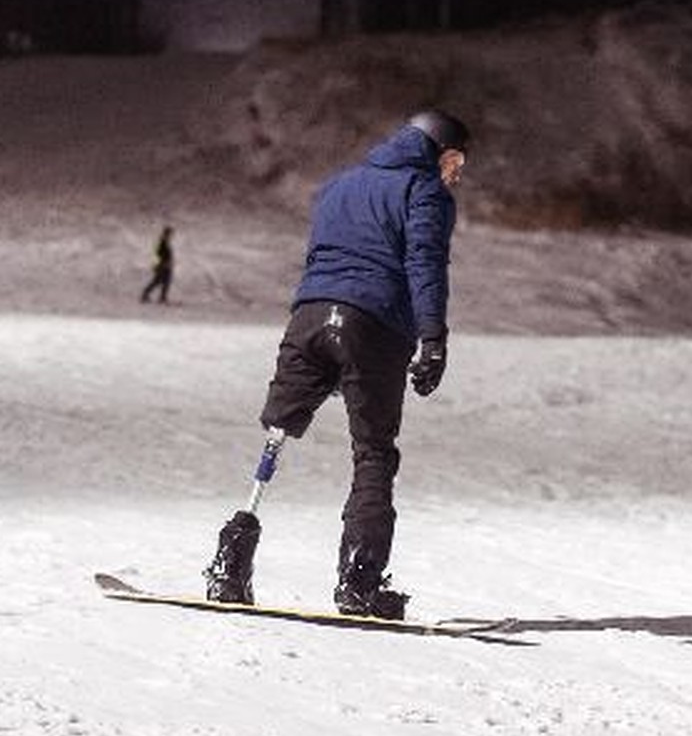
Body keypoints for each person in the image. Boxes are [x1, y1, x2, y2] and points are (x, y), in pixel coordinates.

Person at [203, 109, 470, 619]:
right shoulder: (425, 192)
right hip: (374, 323)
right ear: (439, 151)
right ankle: (359, 582)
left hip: (309, 315)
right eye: (457, 161)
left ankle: (228, 566)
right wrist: (433, 337)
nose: (458, 174)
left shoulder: (338, 184)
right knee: (373, 451)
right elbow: (425, 264)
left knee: (277, 431)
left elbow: (320, 255)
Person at [140, 226, 174, 304]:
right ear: (166, 234)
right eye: (170, 234)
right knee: (157, 281)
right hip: (162, 266)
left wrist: (169, 263)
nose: (171, 236)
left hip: (166, 266)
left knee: (166, 282)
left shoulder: (165, 242)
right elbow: (156, 255)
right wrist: (157, 265)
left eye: (171, 234)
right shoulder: (161, 243)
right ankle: (145, 295)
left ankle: (162, 298)